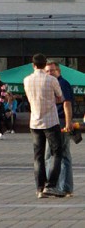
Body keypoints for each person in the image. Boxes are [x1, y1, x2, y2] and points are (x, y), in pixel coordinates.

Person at [24, 53, 64, 199]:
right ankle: (51, 185)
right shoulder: (51, 79)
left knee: (38, 156)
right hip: (51, 120)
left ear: (33, 65)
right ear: (45, 64)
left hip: (34, 121)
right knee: (56, 153)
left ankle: (40, 188)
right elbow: (60, 97)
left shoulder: (27, 80)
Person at [45, 61, 74, 197]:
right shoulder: (50, 84)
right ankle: (55, 186)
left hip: (61, 122)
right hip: (51, 122)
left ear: (59, 71)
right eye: (47, 71)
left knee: (62, 155)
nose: (49, 73)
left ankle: (64, 187)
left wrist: (68, 123)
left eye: (52, 70)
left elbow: (67, 104)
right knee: (51, 155)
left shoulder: (63, 83)